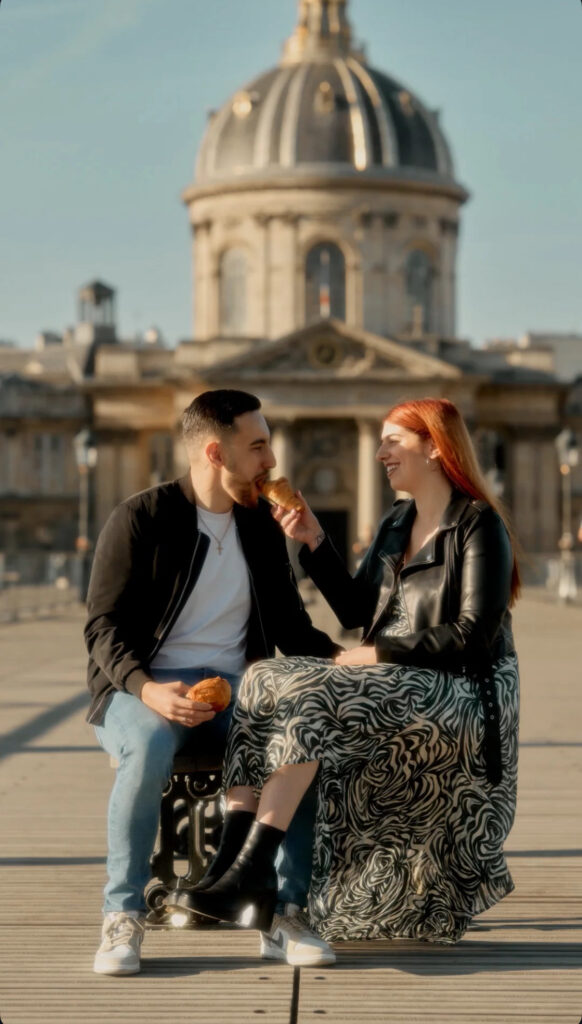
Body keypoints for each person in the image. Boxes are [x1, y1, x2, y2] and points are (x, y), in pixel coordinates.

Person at [188, 397, 521, 947]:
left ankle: (252, 869)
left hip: (465, 690)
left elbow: (473, 636)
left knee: (311, 693)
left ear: (435, 448)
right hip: (402, 683)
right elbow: (356, 612)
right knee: (264, 678)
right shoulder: (396, 520)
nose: (380, 451)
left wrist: (379, 654)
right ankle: (237, 863)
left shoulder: (478, 524)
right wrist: (315, 542)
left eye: (394, 440)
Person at [86, 389, 341, 976]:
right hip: (138, 688)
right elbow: (102, 626)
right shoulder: (140, 517)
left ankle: (285, 912)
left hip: (238, 690)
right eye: (257, 446)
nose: (270, 460)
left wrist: (346, 658)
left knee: (298, 734)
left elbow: (290, 627)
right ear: (215, 452)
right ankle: (121, 915)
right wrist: (148, 689)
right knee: (149, 744)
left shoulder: (259, 526)